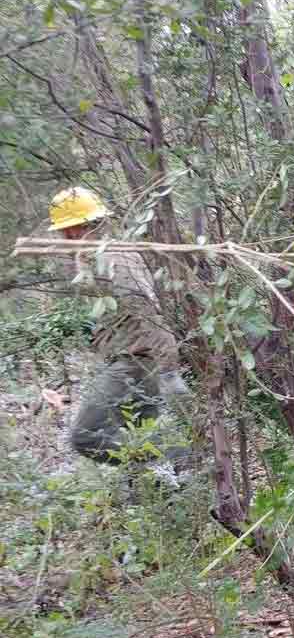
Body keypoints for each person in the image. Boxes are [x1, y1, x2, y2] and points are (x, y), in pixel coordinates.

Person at [43, 187, 188, 466]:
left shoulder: (114, 259)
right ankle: (176, 483)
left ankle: (182, 456)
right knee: (142, 437)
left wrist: (170, 370)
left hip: (136, 365)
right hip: (136, 362)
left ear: (75, 230)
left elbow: (147, 310)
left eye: (65, 230)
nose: (63, 238)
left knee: (86, 436)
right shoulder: (97, 257)